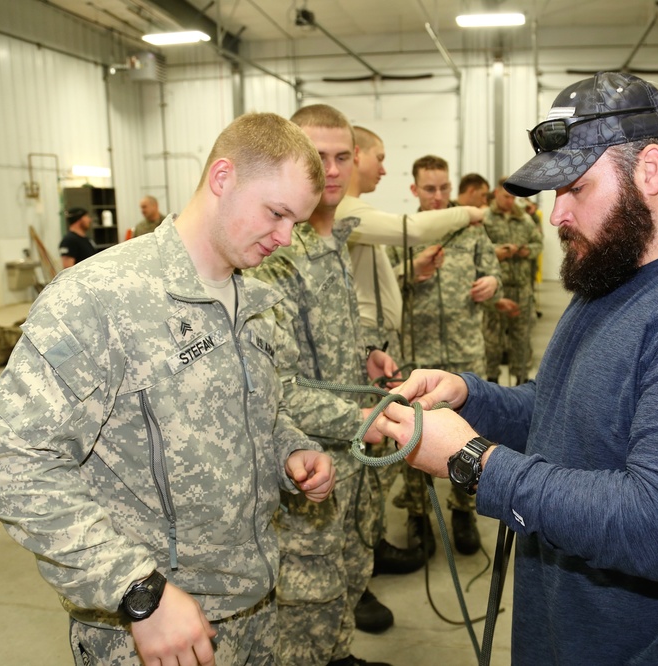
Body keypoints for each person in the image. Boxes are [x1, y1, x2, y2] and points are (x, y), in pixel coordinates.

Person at [373, 71, 658, 664]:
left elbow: (657, 525)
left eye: (575, 188)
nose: (557, 215)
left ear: (650, 171)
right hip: (564, 634)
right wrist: (468, 399)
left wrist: (475, 461)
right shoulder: (610, 279)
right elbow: (563, 413)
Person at [0, 112, 336, 666]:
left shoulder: (256, 302)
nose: (286, 238)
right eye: (277, 213)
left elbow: (257, 411)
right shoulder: (99, 299)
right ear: (223, 178)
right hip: (148, 629)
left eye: (298, 223)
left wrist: (290, 449)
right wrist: (138, 592)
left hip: (257, 606)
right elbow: (17, 467)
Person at [246, 105, 398, 666]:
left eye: (341, 157)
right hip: (305, 466)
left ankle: (340, 656)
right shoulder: (274, 252)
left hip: (353, 462)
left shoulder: (331, 243)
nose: (330, 170)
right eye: (316, 157)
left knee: (348, 575)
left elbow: (330, 339)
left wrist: (369, 355)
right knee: (306, 601)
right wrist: (364, 418)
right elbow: (276, 386)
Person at [337, 128, 487, 571]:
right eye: (379, 157)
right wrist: (471, 211)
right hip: (386, 346)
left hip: (400, 347)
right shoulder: (355, 212)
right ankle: (396, 532)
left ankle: (455, 516)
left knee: (459, 428)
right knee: (400, 435)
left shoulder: (356, 211)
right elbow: (412, 229)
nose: (383, 167)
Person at [387, 154, 500, 556]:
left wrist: (491, 282)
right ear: (414, 190)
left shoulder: (469, 230)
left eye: (443, 188)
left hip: (465, 351)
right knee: (413, 433)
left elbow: (493, 273)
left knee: (469, 436)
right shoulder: (401, 233)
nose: (437, 197)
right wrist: (409, 272)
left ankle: (462, 510)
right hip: (417, 357)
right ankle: (418, 513)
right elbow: (380, 291)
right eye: (429, 189)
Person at [482, 178, 542, 384]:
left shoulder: (524, 219)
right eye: (505, 196)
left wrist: (526, 251)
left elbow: (538, 243)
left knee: (521, 337)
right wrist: (500, 250)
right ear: (496, 193)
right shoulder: (485, 219)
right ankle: (491, 381)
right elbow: (479, 249)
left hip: (521, 287)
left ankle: (521, 381)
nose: (509, 201)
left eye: (512, 197)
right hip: (496, 289)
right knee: (492, 339)